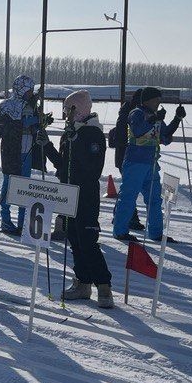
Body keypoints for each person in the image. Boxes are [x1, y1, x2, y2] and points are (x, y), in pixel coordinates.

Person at [54, 91, 115, 308]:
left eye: (68, 111)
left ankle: (104, 285)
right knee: (74, 238)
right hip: (68, 193)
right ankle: (82, 282)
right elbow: (62, 165)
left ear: (78, 110)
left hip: (86, 194)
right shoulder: (71, 132)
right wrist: (48, 148)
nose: (65, 116)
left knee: (87, 239)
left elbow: (92, 168)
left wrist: (75, 144)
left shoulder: (92, 133)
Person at [111, 86, 185, 242]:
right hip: (135, 163)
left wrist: (177, 119)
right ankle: (120, 231)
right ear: (148, 100)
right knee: (128, 197)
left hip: (151, 164)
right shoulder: (136, 113)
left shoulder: (154, 115)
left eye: (160, 100)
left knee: (154, 200)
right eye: (156, 99)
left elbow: (165, 136)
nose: (159, 102)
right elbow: (138, 130)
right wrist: (155, 119)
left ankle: (156, 233)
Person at [0, 74, 57, 235]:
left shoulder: (32, 106)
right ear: (22, 89)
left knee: (24, 190)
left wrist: (42, 121)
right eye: (29, 90)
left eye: (32, 90)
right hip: (12, 153)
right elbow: (1, 127)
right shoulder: (6, 106)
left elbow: (35, 127)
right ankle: (5, 220)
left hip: (28, 153)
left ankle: (22, 223)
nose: (31, 93)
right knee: (8, 187)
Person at [107, 89, 146, 232]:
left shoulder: (125, 112)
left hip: (123, 156)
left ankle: (122, 216)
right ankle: (130, 218)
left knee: (127, 189)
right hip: (127, 156)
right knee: (129, 190)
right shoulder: (132, 114)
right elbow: (125, 136)